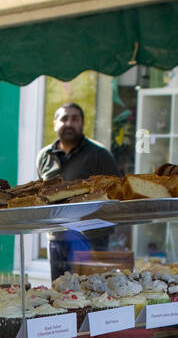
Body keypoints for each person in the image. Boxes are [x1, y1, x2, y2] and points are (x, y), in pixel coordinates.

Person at [36, 104, 121, 280]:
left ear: (82, 124)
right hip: (56, 235)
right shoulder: (44, 156)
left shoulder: (99, 154)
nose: (69, 123)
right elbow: (40, 194)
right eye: (64, 118)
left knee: (91, 293)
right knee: (59, 292)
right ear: (55, 124)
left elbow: (117, 191)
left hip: (92, 238)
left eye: (75, 119)